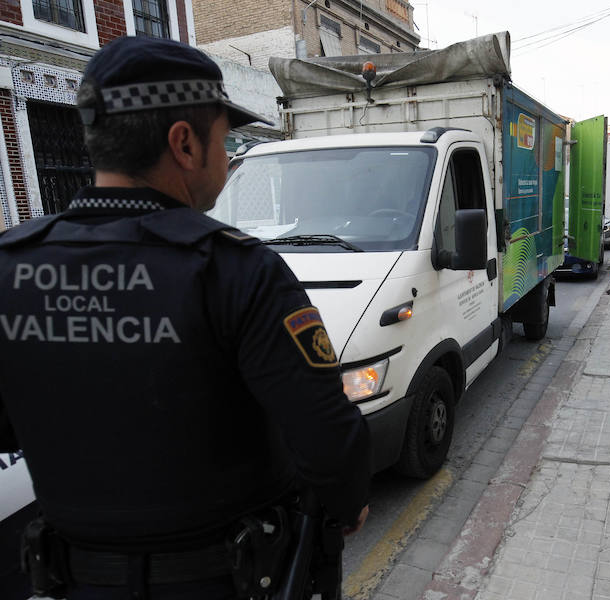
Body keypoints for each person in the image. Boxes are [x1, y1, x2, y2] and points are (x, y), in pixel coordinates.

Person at [0, 36, 370, 600]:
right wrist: (349, 501)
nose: (227, 157)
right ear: (185, 144)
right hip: (219, 579)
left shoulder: (10, 264)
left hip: (66, 580)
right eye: (225, 140)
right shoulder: (235, 268)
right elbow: (323, 429)